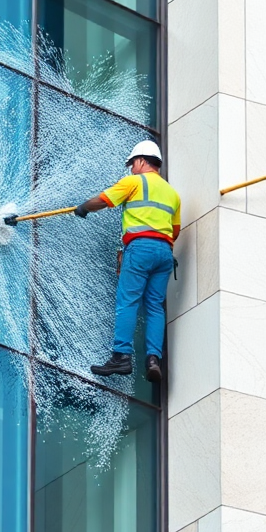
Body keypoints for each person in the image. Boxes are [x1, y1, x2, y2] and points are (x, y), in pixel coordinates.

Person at [77, 140, 181, 382]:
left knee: (128, 301)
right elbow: (174, 231)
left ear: (142, 161)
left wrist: (83, 208)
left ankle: (121, 356)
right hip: (164, 254)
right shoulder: (172, 194)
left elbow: (103, 200)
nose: (131, 169)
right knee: (154, 306)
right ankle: (153, 359)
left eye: (133, 164)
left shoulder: (133, 182)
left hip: (140, 248)